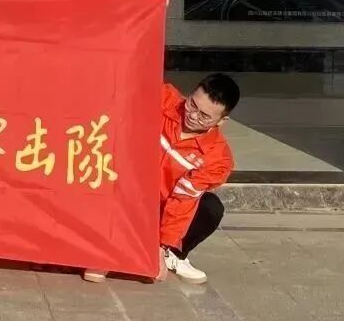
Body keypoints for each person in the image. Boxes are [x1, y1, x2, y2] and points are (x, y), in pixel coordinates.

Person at [82, 73, 239, 285]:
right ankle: (112, 249)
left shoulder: (218, 158)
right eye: (192, 104)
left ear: (221, 121)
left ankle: (169, 254)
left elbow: (183, 199)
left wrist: (160, 246)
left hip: (161, 209)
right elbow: (128, 78)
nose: (192, 116)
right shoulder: (163, 99)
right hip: (121, 195)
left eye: (204, 116)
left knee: (210, 208)